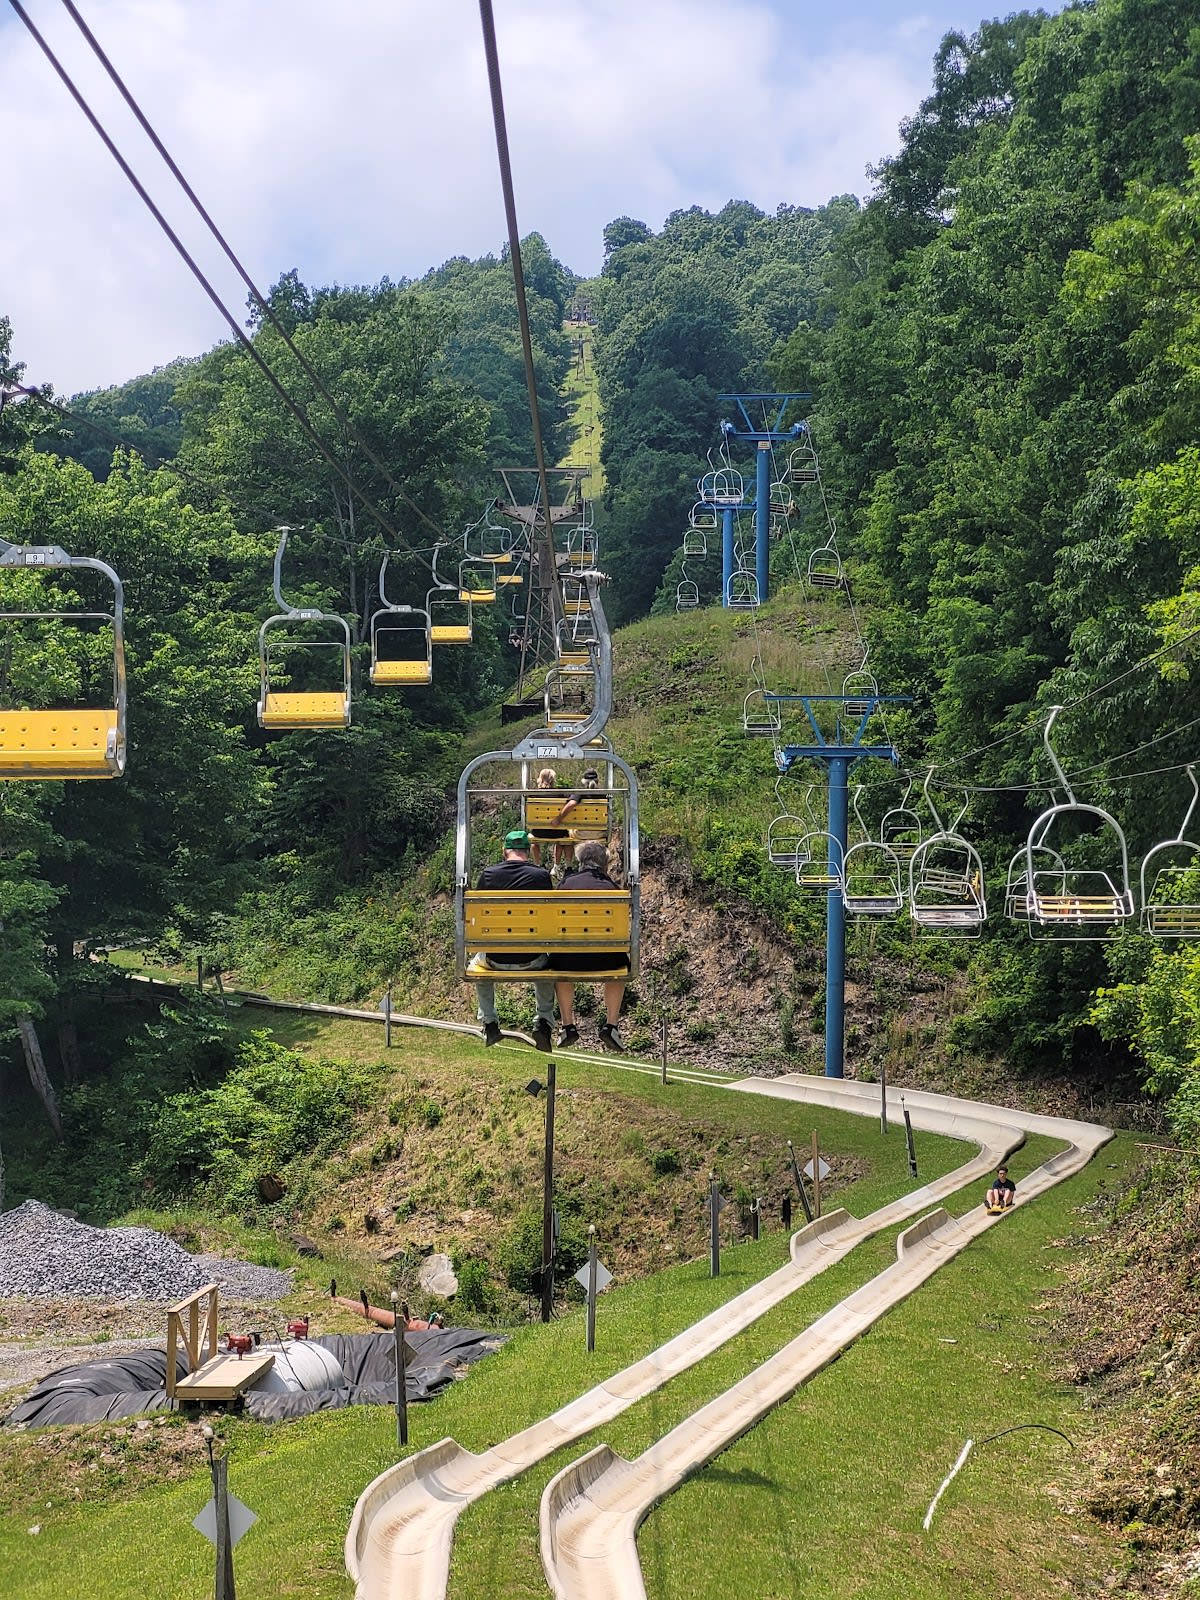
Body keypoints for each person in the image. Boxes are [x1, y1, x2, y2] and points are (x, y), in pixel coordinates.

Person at [474, 828, 555, 1051]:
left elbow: (477, 916)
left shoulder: (488, 876)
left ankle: (489, 1023)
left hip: (495, 959)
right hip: (532, 959)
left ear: (504, 851)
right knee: (548, 965)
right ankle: (544, 1022)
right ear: (527, 852)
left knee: (477, 965)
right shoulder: (541, 876)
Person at [553, 838, 629, 1051]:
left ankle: (568, 1025)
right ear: (604, 864)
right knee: (619, 967)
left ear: (580, 861)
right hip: (606, 959)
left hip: (570, 959)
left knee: (559, 968)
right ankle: (611, 1024)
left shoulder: (565, 885)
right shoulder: (612, 888)